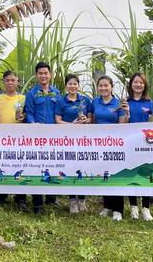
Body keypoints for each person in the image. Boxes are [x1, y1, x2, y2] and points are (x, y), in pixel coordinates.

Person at [24, 62, 61, 214]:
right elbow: (29, 113)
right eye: (40, 73)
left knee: (53, 165)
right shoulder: (32, 93)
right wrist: (34, 125)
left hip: (53, 136)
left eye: (46, 73)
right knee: (37, 167)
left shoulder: (56, 93)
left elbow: (59, 112)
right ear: (36, 75)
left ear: (50, 75)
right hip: (37, 136)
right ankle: (37, 201)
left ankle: (51, 198)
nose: (43, 76)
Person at [91, 75, 128, 221]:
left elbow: (122, 124)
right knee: (104, 174)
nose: (103, 88)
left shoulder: (118, 103)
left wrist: (126, 112)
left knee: (116, 174)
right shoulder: (95, 102)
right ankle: (107, 206)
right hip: (100, 144)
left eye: (106, 85)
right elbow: (93, 122)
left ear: (111, 87)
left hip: (115, 143)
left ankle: (118, 209)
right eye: (100, 85)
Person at [54, 74, 92, 214]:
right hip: (67, 140)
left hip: (83, 140)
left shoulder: (86, 100)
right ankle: (72, 202)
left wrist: (86, 121)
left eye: (75, 84)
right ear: (66, 86)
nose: (72, 86)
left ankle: (82, 200)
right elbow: (58, 120)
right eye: (70, 84)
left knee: (82, 168)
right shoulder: (61, 101)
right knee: (70, 168)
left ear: (78, 85)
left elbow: (90, 118)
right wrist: (71, 124)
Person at [126, 72, 153, 221]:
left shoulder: (151, 104)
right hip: (130, 145)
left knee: (147, 175)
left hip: (147, 146)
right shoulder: (125, 103)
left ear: (145, 86)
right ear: (131, 85)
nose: (138, 85)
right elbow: (122, 125)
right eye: (135, 82)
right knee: (132, 174)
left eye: (141, 83)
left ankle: (145, 207)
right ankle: (133, 207)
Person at [0, 71, 27, 209]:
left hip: (19, 138)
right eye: (7, 80)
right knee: (3, 166)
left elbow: (28, 115)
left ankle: (20, 198)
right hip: (2, 138)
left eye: (13, 80)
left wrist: (24, 118)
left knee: (19, 167)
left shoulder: (23, 98)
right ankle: (1, 196)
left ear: (17, 81)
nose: (10, 83)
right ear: (3, 82)